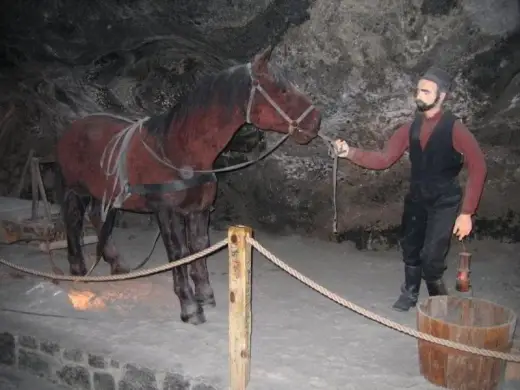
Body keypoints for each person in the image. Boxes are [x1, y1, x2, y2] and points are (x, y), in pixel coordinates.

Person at [334, 67, 487, 312]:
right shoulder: (410, 128)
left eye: (426, 91)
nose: (419, 95)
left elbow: (478, 166)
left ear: (442, 96)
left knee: (432, 256)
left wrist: (467, 212)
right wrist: (349, 152)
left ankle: (439, 301)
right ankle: (410, 293)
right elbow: (384, 159)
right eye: (418, 90)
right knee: (411, 247)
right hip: (417, 196)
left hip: (445, 200)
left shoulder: (455, 129)